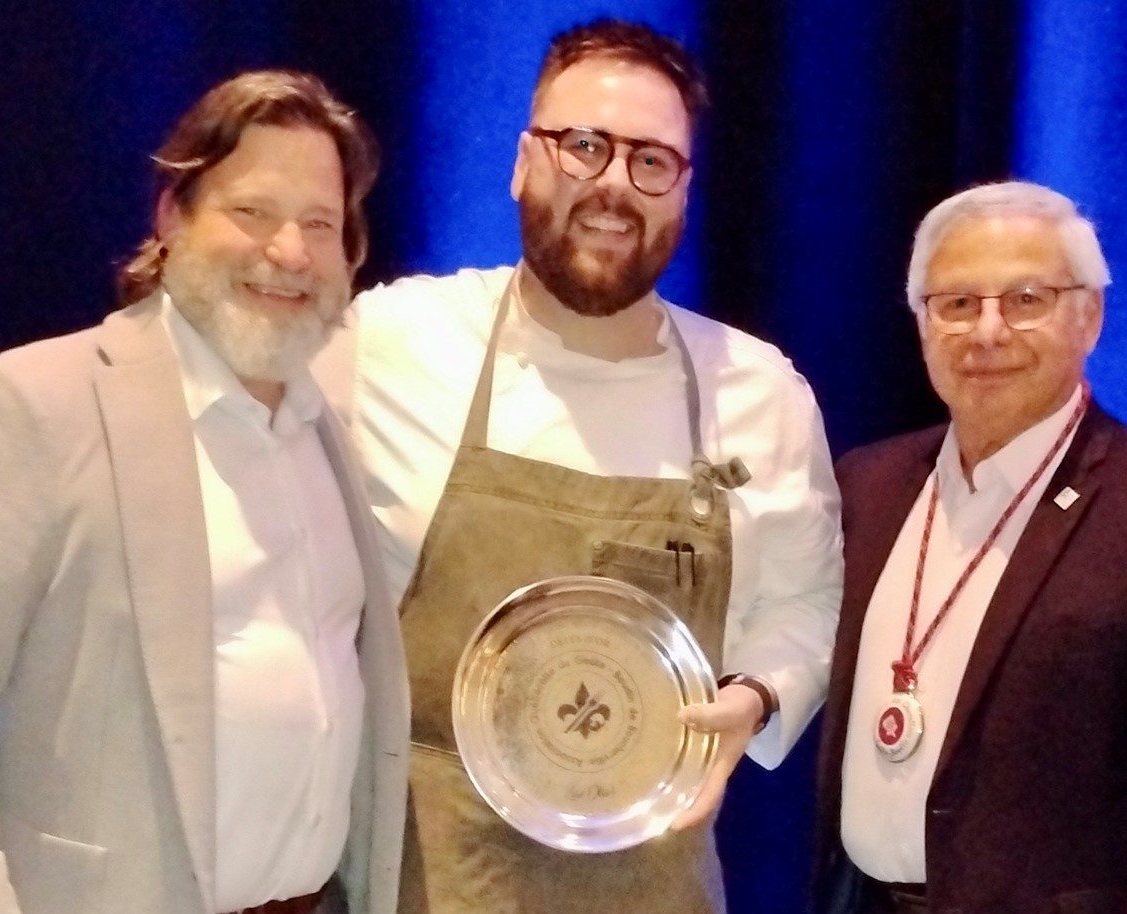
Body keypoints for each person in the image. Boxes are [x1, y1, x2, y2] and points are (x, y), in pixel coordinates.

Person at [312, 19, 843, 914]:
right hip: (422, 877)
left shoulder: (760, 391)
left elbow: (807, 600)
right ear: (524, 161)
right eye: (584, 146)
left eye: (651, 162)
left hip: (651, 880)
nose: (612, 186)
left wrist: (755, 694)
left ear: (684, 192)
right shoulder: (387, 345)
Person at [0, 70, 408, 914]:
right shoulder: (32, 406)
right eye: (252, 212)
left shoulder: (325, 430)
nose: (290, 251)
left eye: (320, 224)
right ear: (172, 216)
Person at [815, 181, 1127, 914]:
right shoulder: (869, 485)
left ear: (1090, 317)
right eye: (957, 304)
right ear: (922, 324)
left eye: (1026, 300)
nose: (988, 331)